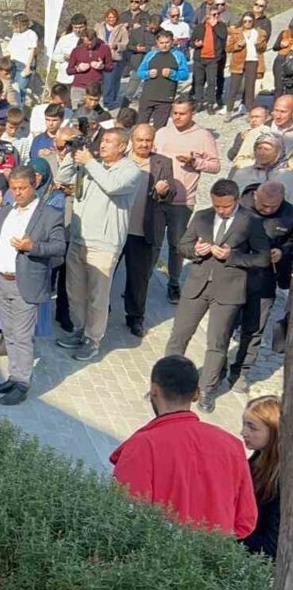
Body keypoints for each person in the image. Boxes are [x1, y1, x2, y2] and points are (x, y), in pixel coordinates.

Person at [110, 355, 257, 538]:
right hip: (214, 553)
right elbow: (245, 521)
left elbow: (124, 518)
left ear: (154, 390)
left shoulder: (142, 446)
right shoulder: (232, 446)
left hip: (159, 552)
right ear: (196, 394)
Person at [164, 179, 270, 412]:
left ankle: (206, 391)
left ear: (237, 200)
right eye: (217, 206)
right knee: (179, 335)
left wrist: (232, 257)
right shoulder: (202, 216)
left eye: (226, 206)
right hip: (197, 286)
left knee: (217, 343)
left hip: (229, 290)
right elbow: (182, 245)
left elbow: (263, 258)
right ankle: (167, 385)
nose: (221, 211)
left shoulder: (251, 222)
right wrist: (195, 250)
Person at [0, 164, 66, 405]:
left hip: (25, 283)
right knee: (9, 333)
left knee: (22, 336)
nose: (17, 193)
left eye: (22, 188)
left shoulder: (50, 214)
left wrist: (32, 247)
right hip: (2, 281)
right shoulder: (8, 210)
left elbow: (59, 248)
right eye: (13, 188)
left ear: (34, 185)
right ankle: (13, 377)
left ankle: (22, 383)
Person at [56, 129, 140, 362]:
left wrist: (90, 162)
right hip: (79, 237)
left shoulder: (130, 170)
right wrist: (71, 154)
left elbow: (112, 186)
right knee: (75, 291)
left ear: (122, 147)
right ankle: (79, 329)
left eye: (110, 142)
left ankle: (92, 339)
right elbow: (63, 178)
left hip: (104, 244)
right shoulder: (92, 164)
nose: (103, 145)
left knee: (97, 296)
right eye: (102, 141)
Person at [226, 182, 293, 393]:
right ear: (255, 195)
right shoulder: (239, 206)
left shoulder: (289, 214)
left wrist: (282, 252)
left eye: (273, 207)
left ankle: (241, 371)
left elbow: (291, 242)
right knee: (225, 325)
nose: (267, 210)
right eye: (264, 205)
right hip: (235, 276)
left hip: (265, 280)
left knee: (255, 329)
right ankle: (215, 370)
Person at [154, 97, 221, 304]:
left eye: (182, 113)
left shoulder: (203, 136)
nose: (177, 117)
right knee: (152, 243)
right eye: (174, 113)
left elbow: (216, 166)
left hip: (182, 202)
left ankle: (173, 283)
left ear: (192, 113)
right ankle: (142, 281)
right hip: (157, 197)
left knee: (177, 245)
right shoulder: (162, 132)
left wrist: (195, 162)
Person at [121, 124, 175, 338]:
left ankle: (135, 317)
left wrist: (163, 192)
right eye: (140, 140)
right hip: (117, 229)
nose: (144, 144)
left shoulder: (163, 163)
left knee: (138, 279)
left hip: (143, 231)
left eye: (148, 140)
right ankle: (100, 313)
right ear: (132, 140)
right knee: (105, 275)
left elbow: (171, 194)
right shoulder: (121, 158)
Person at [240, 396, 281, 558]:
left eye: (252, 427)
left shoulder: (281, 483)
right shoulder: (260, 455)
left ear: (274, 432)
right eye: (244, 424)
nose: (243, 432)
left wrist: (230, 531)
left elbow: (271, 548)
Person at [135, 30, 189, 129]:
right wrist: (148, 74)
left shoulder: (178, 55)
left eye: (167, 42)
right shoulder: (150, 55)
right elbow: (139, 72)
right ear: (157, 42)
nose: (164, 45)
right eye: (161, 43)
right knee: (141, 126)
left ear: (172, 42)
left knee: (159, 129)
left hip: (165, 98)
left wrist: (172, 74)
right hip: (147, 96)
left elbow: (185, 75)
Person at [223, 12, 268, 119]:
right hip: (238, 62)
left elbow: (264, 49)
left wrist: (259, 45)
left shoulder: (260, 33)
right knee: (234, 88)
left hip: (253, 61)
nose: (247, 23)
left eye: (249, 21)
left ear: (253, 21)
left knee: (250, 88)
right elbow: (228, 49)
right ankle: (229, 111)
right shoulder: (236, 32)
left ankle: (249, 112)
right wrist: (237, 45)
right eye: (245, 21)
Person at [190, 6, 228, 114]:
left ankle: (210, 104)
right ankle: (199, 102)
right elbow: (191, 42)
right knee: (199, 82)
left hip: (213, 59)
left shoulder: (221, 26)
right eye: (214, 14)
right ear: (208, 15)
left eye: (218, 14)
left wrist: (214, 26)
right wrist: (196, 44)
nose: (216, 16)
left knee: (211, 82)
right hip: (199, 59)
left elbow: (223, 36)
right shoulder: (200, 27)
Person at [226, 107, 272, 173]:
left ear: (268, 118)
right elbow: (231, 155)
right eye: (251, 117)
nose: (253, 120)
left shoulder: (270, 134)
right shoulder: (243, 134)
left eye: (257, 117)